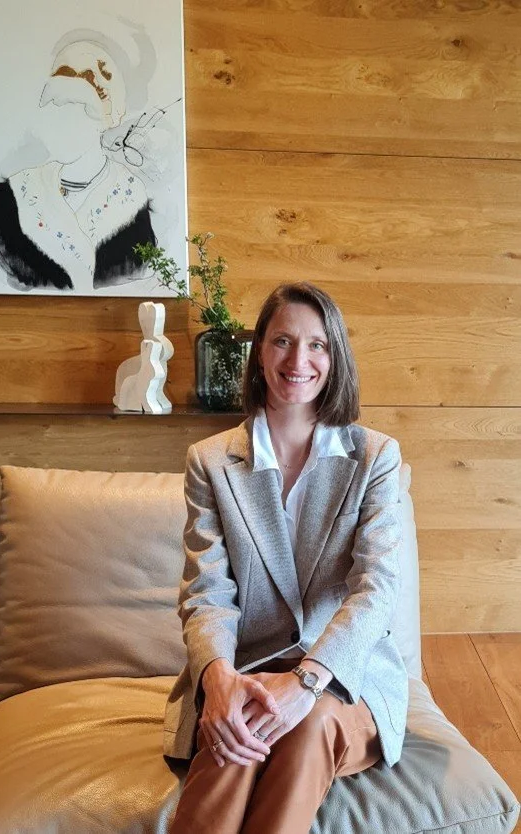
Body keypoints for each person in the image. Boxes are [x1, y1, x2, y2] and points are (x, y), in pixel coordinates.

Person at [163, 281, 408, 834]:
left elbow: (377, 588)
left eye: (317, 344)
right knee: (236, 726)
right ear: (258, 354)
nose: (299, 360)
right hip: (248, 669)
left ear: (335, 354)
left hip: (346, 678)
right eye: (282, 341)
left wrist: (307, 681)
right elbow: (207, 591)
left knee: (310, 721)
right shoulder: (210, 462)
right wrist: (220, 679)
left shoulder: (375, 458)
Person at [0, 40, 156, 293]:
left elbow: (138, 281)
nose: (62, 128)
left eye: (80, 111)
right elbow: (4, 280)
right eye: (56, 110)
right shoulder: (13, 195)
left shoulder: (130, 198)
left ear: (103, 119)